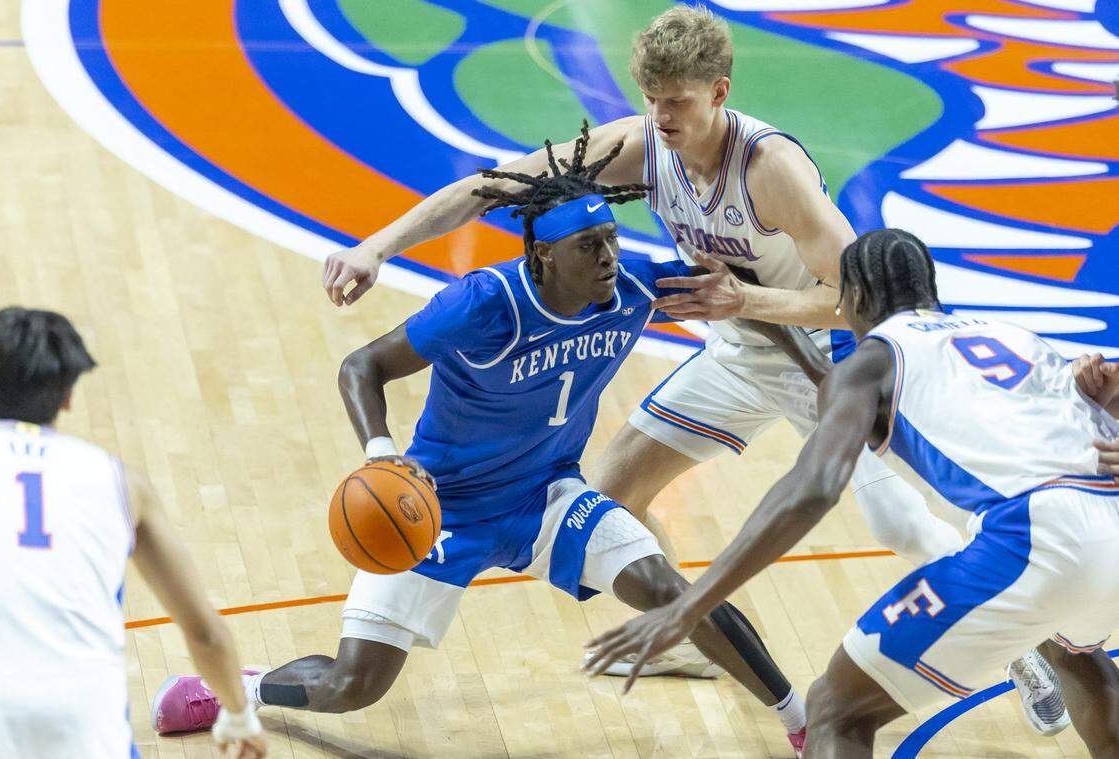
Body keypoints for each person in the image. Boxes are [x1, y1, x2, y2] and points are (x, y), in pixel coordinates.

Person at [315, 3, 1065, 730]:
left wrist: (747, 295)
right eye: (651, 100)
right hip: (739, 344)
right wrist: (376, 245)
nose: (663, 117)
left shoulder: (772, 170)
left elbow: (854, 301)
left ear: (720, 93)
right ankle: (682, 635)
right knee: (613, 495)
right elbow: (492, 187)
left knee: (897, 518)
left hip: (823, 356)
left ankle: (1034, 652)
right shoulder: (642, 143)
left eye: (677, 102)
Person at [153, 131, 810, 755]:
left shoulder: (633, 285)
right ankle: (239, 689)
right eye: (590, 247)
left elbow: (742, 296)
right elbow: (362, 366)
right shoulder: (481, 303)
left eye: (610, 238)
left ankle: (804, 723)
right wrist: (382, 453)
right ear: (545, 254)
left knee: (674, 592)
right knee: (353, 684)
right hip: (440, 507)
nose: (610, 257)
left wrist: (819, 372)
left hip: (545, 495)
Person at [584, 229, 1119, 757]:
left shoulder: (875, 360)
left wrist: (690, 606)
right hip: (1107, 530)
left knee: (836, 711)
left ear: (854, 298)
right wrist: (762, 318)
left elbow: (810, 491)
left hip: (1032, 538)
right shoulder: (1010, 337)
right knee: (1079, 656)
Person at [0, 307, 265, 759]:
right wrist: (237, 714)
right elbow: (203, 631)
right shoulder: (122, 483)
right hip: (84, 723)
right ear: (69, 395)